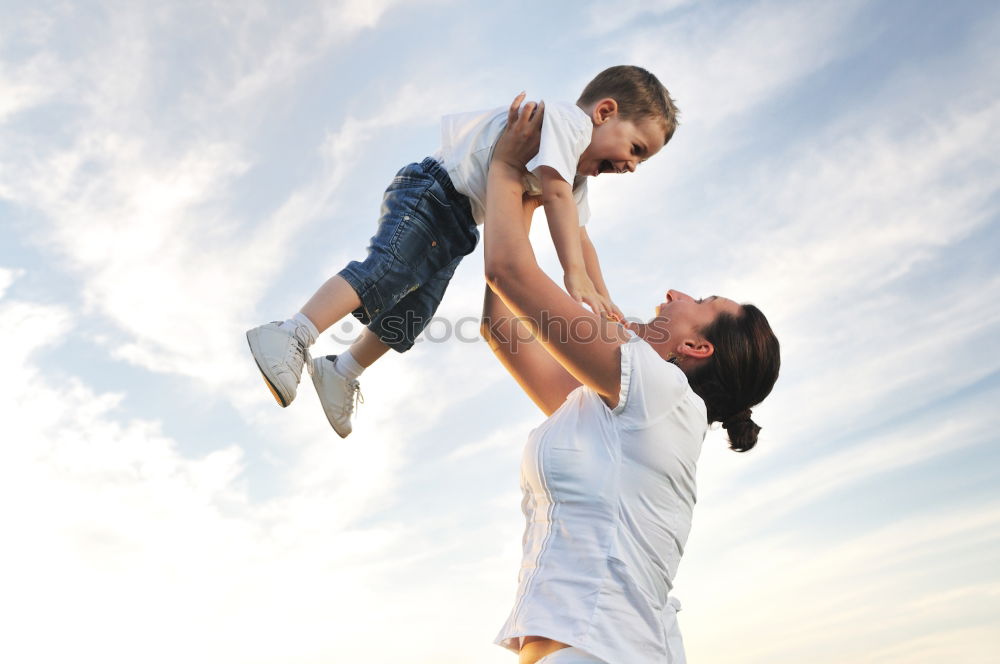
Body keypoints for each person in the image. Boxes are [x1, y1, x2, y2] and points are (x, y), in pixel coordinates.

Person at [481, 96, 781, 664]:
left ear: (696, 346)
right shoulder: (616, 406)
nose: (674, 293)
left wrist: (501, 167)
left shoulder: (660, 393)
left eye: (700, 300)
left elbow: (510, 272)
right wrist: (525, 187)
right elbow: (503, 326)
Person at [246, 66, 678, 437]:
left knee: (415, 310)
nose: (632, 166)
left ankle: (341, 370)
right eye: (636, 149)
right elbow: (557, 201)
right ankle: (292, 332)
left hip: (459, 218)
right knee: (389, 270)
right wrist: (574, 279)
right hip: (433, 191)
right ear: (605, 112)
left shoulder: (575, 175)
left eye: (643, 161)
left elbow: (581, 236)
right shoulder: (568, 124)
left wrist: (604, 302)